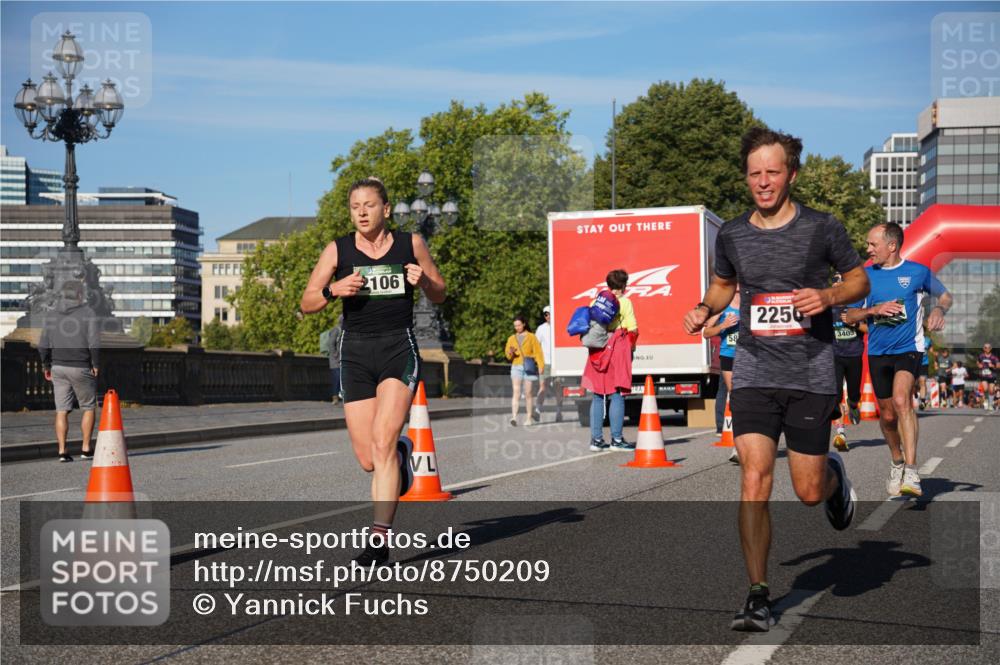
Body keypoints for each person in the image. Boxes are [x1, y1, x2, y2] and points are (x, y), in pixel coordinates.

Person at [682, 127, 867, 632]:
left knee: (806, 491)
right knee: (754, 477)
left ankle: (833, 481)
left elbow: (858, 279)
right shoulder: (735, 233)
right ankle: (758, 595)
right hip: (755, 369)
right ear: (747, 177)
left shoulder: (821, 228)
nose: (763, 182)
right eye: (754, 173)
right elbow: (723, 284)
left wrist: (828, 298)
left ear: (791, 174)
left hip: (810, 371)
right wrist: (703, 307)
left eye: (773, 172)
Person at [300, 176, 446, 566]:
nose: (361, 212)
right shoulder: (338, 249)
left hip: (398, 347)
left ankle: (379, 541)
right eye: (354, 206)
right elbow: (307, 300)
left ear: (385, 209)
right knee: (368, 458)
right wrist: (334, 290)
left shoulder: (409, 243)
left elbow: (439, 291)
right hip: (356, 353)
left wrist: (425, 280)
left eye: (369, 205)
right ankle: (400, 456)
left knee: (381, 443)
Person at [844, 222, 952, 498]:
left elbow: (945, 295)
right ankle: (897, 460)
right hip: (879, 352)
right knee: (888, 415)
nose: (867, 249)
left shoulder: (917, 272)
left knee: (903, 400)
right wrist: (873, 309)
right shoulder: (865, 276)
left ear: (891, 246)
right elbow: (849, 316)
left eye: (872, 244)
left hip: (909, 348)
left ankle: (913, 472)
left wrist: (939, 309)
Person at [38, 280, 101, 462]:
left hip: (58, 367)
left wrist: (46, 366)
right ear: (80, 295)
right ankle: (86, 448)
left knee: (61, 410)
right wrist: (95, 364)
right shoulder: (88, 313)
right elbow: (94, 343)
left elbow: (43, 346)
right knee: (88, 407)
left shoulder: (51, 315)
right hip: (81, 366)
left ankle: (62, 451)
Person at [583, 269, 638, 452]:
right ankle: (616, 439)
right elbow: (632, 329)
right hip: (616, 349)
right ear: (624, 285)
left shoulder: (595, 302)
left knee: (598, 395)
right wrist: (631, 350)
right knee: (617, 394)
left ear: (608, 285)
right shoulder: (625, 302)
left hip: (597, 351)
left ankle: (596, 440)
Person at [830, 272, 867, 452]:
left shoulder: (856, 306)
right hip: (835, 355)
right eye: (835, 280)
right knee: (836, 395)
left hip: (854, 355)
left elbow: (869, 328)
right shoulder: (828, 308)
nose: (837, 283)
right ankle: (840, 432)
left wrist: (855, 324)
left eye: (840, 280)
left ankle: (854, 405)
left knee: (853, 393)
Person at [703, 290, 740, 463]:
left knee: (751, 398)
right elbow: (706, 333)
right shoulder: (722, 307)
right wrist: (723, 326)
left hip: (751, 356)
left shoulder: (751, 304)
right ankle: (739, 446)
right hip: (729, 356)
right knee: (736, 398)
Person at [505, 316, 545, 426]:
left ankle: (528, 418)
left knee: (528, 393)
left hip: (529, 367)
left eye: (518, 325)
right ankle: (514, 417)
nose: (517, 327)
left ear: (524, 324)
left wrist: (541, 365)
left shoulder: (532, 337)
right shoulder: (511, 338)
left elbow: (538, 352)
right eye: (515, 326)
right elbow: (508, 356)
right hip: (516, 366)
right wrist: (511, 353)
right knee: (516, 392)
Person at [533, 305, 564, 422]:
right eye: (546, 314)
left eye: (550, 314)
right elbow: (536, 347)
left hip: (558, 363)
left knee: (558, 388)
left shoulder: (560, 327)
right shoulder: (541, 329)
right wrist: (538, 362)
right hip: (545, 363)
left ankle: (559, 412)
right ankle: (537, 410)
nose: (548, 316)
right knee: (542, 387)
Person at [319, 315, 344, 404]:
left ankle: (341, 396)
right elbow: (331, 343)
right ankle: (335, 397)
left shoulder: (345, 330)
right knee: (336, 378)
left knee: (342, 379)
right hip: (335, 360)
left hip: (341, 359)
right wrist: (335, 355)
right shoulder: (336, 330)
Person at [977, 342, 998, 410]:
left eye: (989, 347)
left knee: (991, 390)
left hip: (992, 376)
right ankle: (986, 400)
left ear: (991, 348)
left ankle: (990, 404)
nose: (987, 349)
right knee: (985, 389)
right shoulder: (981, 356)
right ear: (984, 349)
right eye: (986, 347)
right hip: (984, 375)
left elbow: (998, 365)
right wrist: (979, 365)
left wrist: (993, 366)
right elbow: (978, 362)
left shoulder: (994, 357)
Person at [916, 329, 933, 410]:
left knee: (922, 381)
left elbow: (931, 350)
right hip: (913, 363)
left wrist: (935, 360)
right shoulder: (913, 338)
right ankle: (915, 391)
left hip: (924, 363)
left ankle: (923, 401)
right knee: (912, 383)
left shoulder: (928, 340)